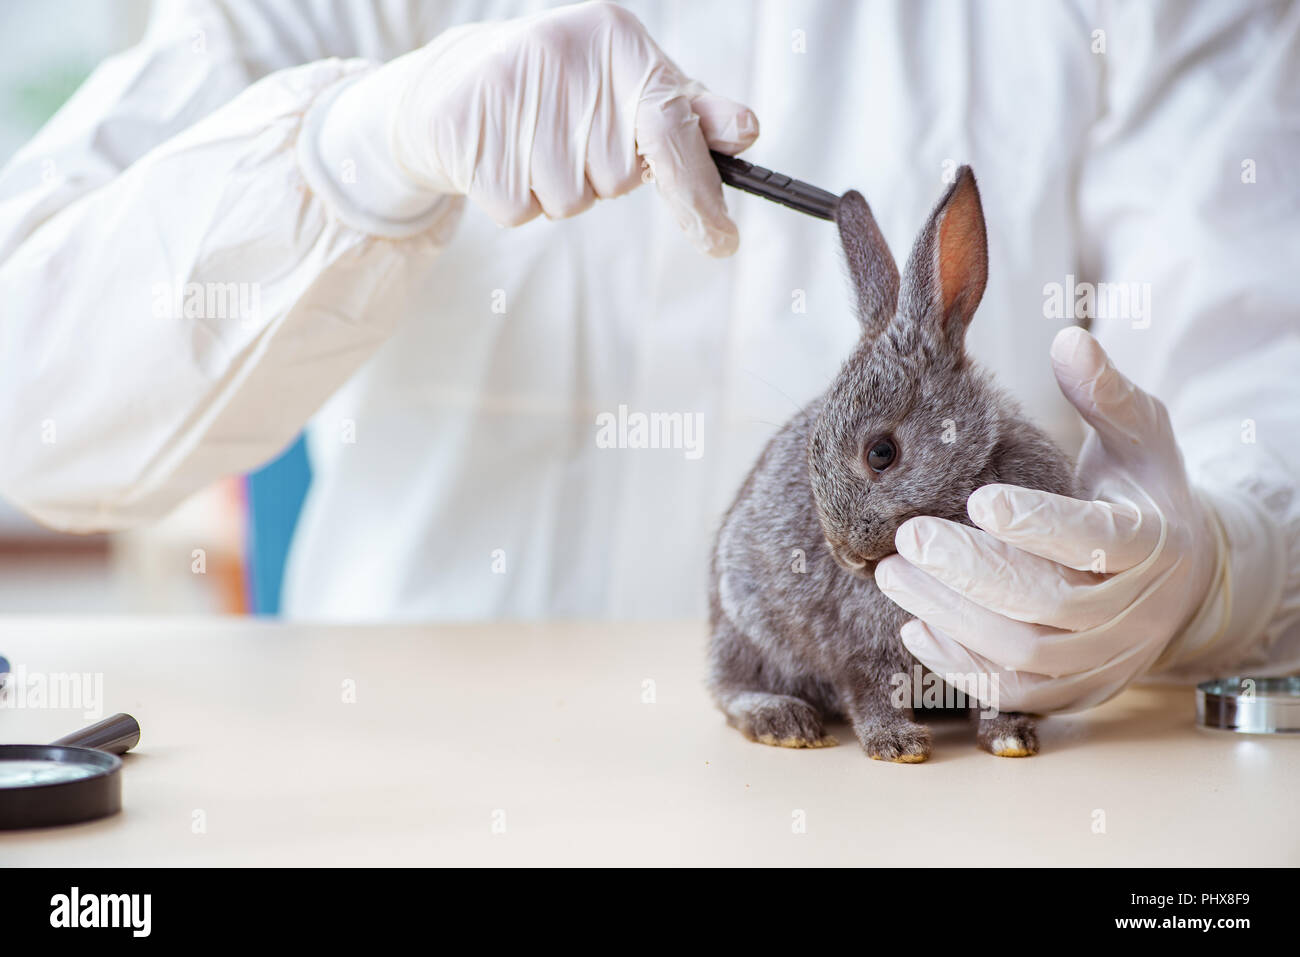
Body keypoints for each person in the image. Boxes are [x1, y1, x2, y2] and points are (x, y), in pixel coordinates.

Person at [1, 1, 1296, 713]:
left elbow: (1267, 390)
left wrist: (1214, 565)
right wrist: (357, 149)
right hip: (416, 792)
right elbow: (34, 407)